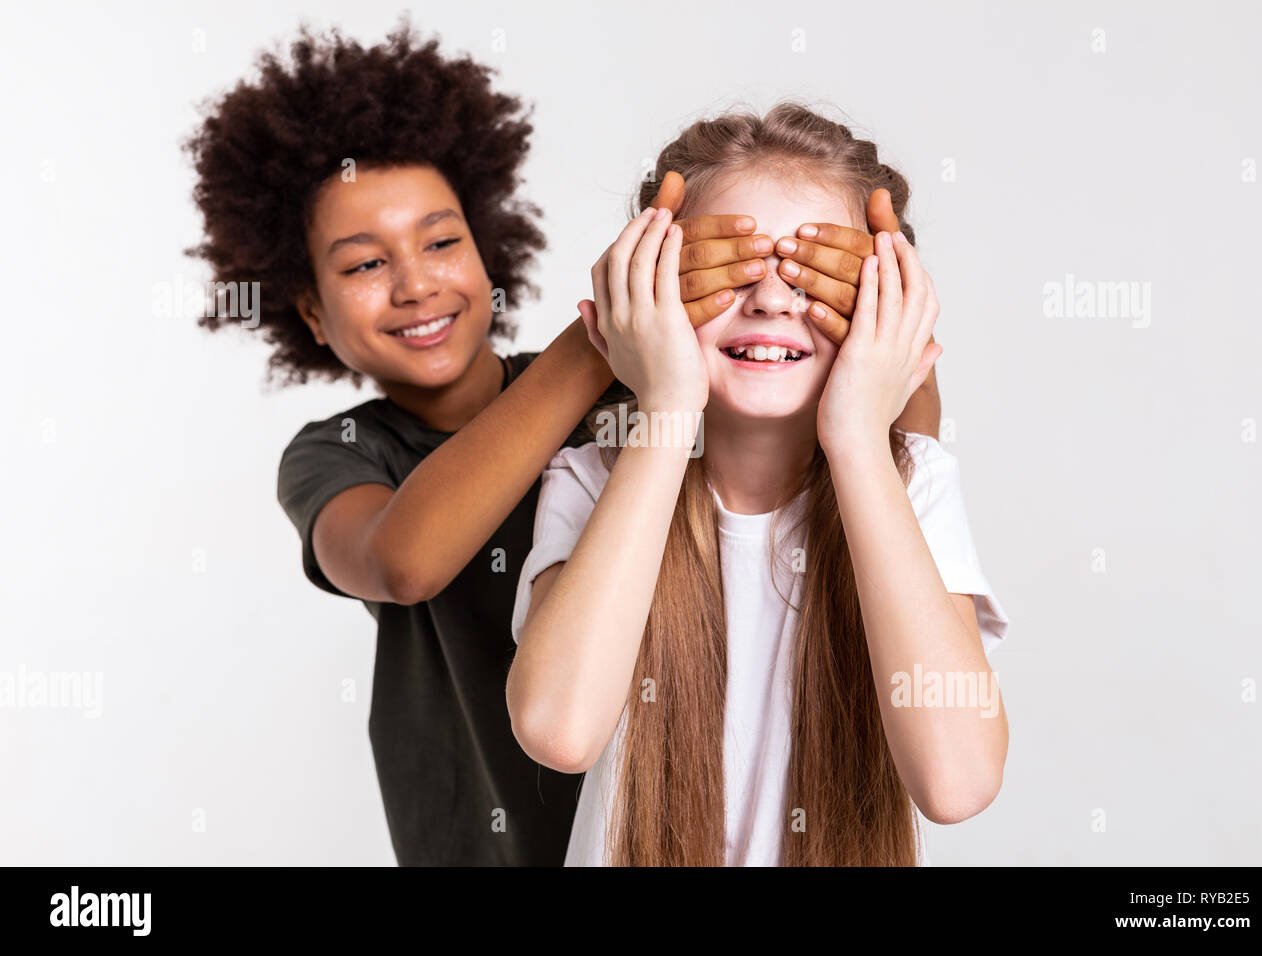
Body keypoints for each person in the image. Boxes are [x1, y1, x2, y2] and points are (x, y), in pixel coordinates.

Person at [186, 20, 941, 864]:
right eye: (364, 265)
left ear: (489, 249)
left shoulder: (638, 394)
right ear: (314, 316)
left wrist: (876, 304)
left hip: (654, 826)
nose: (415, 282)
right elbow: (405, 562)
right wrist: (601, 336)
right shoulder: (345, 451)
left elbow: (894, 450)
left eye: (442, 242)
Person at [508, 103, 1006, 866]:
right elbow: (559, 732)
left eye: (810, 273)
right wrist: (668, 408)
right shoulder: (591, 479)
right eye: (735, 267)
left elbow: (958, 783)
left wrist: (857, 437)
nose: (773, 300)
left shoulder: (915, 484)